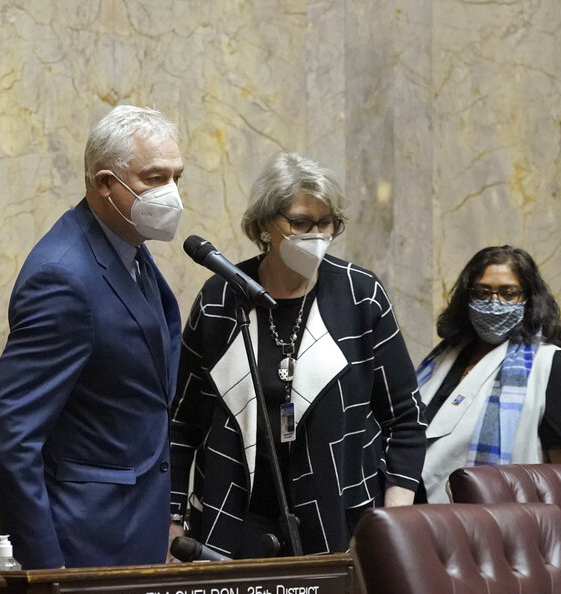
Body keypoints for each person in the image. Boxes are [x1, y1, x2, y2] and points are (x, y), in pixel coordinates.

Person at [170, 151, 425, 558]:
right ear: (264, 226)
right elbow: (181, 424)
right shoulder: (220, 298)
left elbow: (406, 419)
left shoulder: (360, 295)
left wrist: (391, 522)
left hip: (340, 521)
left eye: (327, 223)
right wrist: (173, 520)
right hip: (233, 521)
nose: (316, 235)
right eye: (301, 222)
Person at [0, 105, 185, 569]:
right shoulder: (63, 276)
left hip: (136, 532)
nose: (170, 194)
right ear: (105, 183)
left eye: (176, 176)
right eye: (153, 178)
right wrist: (46, 572)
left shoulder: (128, 250)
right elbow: (10, 432)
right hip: (83, 543)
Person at [415, 245, 561, 503]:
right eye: (482, 292)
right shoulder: (443, 358)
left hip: (506, 525)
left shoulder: (550, 366)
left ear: (529, 299)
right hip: (420, 518)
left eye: (509, 294)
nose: (494, 303)